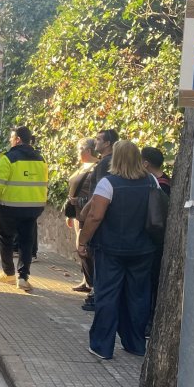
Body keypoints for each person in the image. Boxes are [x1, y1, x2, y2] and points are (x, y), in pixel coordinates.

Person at [75, 140, 161, 359]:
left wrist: (83, 241)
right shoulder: (151, 181)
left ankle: (102, 346)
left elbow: (95, 216)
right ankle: (135, 343)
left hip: (110, 249)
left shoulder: (108, 183)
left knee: (107, 295)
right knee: (138, 297)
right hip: (143, 249)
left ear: (116, 159)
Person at [0, 125, 48, 292]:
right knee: (26, 242)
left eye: (11, 138)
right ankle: (23, 278)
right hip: (33, 208)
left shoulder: (8, 158)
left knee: (6, 239)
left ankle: (8, 274)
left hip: (10, 207)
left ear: (18, 139)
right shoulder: (41, 159)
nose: (10, 140)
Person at [78, 129, 118, 312]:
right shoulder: (106, 162)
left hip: (97, 214)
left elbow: (99, 193)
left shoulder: (104, 164)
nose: (95, 142)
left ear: (108, 143)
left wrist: (86, 211)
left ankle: (96, 293)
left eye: (99, 139)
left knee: (93, 254)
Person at [141, 145, 172, 326]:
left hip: (155, 241)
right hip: (156, 240)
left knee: (152, 282)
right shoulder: (165, 182)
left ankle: (150, 320)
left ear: (145, 164)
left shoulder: (159, 186)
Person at [64, 137, 98, 294]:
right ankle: (86, 280)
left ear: (89, 150)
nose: (77, 152)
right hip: (77, 213)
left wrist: (79, 201)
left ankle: (92, 284)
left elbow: (95, 196)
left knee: (84, 248)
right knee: (80, 247)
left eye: (80, 149)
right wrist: (70, 213)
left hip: (86, 213)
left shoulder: (96, 168)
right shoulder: (83, 167)